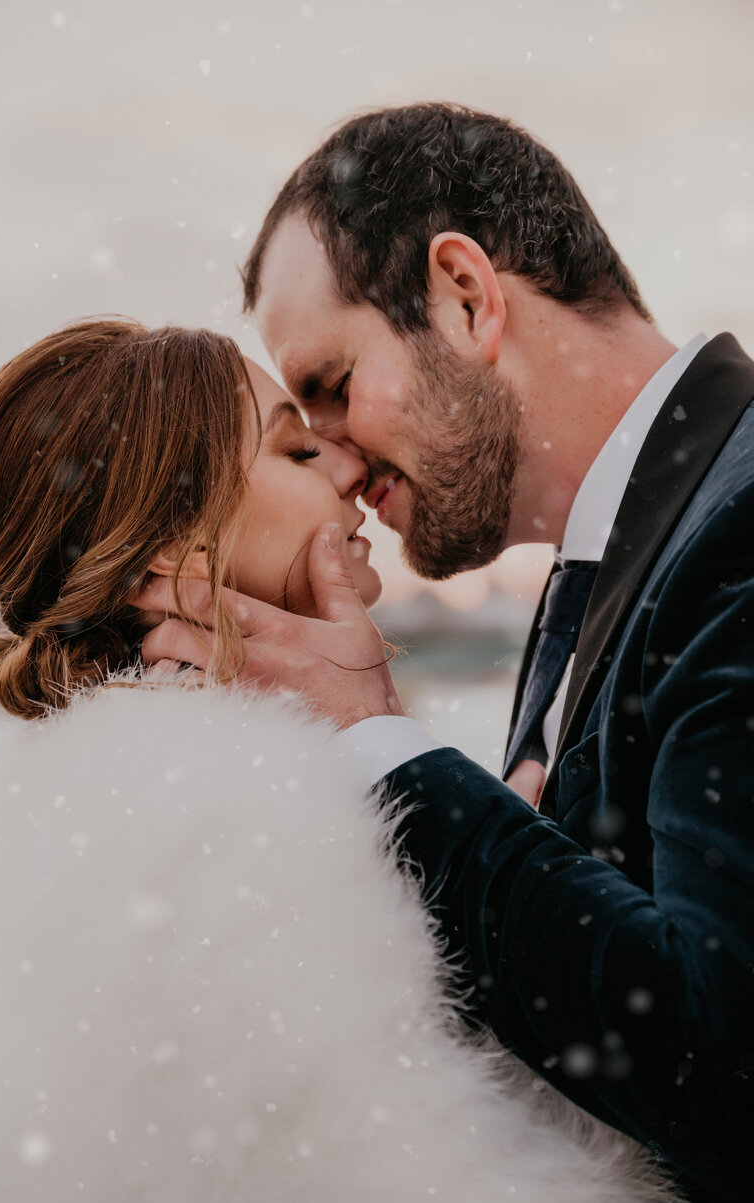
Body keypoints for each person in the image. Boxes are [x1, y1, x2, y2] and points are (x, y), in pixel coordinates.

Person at [138, 104, 754, 1203]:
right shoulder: (612, 562)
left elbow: (728, 1056)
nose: (328, 459)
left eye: (328, 385)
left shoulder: (741, 525)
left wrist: (381, 748)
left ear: (463, 296)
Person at [0, 318, 673, 1201]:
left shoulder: (116, 796)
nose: (348, 468)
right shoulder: (229, 817)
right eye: (297, 451)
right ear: (175, 557)